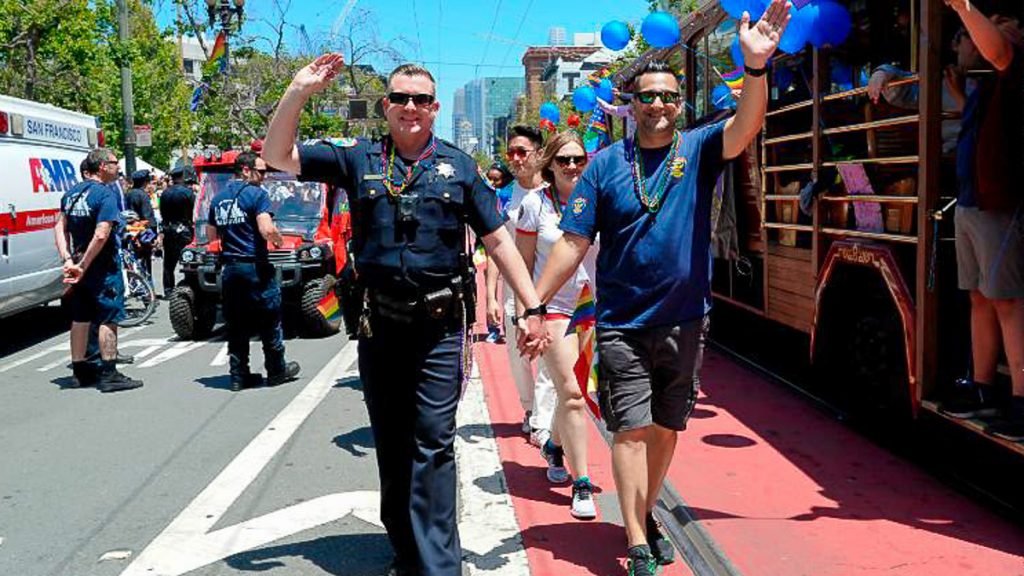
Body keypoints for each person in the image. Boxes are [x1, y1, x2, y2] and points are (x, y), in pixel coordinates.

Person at [263, 55, 549, 576]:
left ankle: (439, 566)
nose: (410, 107)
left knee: (433, 442)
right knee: (392, 443)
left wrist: (532, 306)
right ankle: (405, 546)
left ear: (435, 108)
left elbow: (499, 240)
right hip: (379, 326)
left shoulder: (460, 166)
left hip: (440, 327)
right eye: (400, 98)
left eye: (420, 99)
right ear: (386, 106)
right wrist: (298, 90)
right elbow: (276, 154)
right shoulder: (357, 158)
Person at [534, 3, 791, 574]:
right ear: (630, 105)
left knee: (667, 430)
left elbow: (747, 125)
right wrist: (533, 304)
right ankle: (635, 540)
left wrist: (754, 67)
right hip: (622, 322)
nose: (656, 104)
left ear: (679, 105)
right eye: (646, 96)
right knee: (628, 430)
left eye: (667, 96)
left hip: (684, 320)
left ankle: (645, 511)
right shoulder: (602, 166)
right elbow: (573, 243)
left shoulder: (699, 150)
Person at [931, 2, 1023, 441]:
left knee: (1006, 301)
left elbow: (999, 51)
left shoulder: (1008, 64)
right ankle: (983, 389)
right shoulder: (983, 85)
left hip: (995, 205)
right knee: (980, 298)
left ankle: (1021, 402)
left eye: (965, 34)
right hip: (971, 203)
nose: (961, 42)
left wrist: (963, 6)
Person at [515, 131, 599, 519]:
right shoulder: (535, 204)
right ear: (550, 165)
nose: (571, 166)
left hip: (599, 310)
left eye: (578, 159)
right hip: (555, 309)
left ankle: (554, 445)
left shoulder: (600, 198)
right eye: (563, 160)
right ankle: (582, 484)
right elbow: (522, 263)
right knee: (573, 394)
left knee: (581, 392)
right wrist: (525, 314)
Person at [485, 125, 557, 448]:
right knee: (519, 355)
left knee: (548, 357)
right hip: (516, 289)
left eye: (521, 152)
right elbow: (495, 250)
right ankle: (529, 409)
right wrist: (491, 295)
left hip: (552, 290)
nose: (515, 159)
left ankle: (542, 422)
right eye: (510, 153)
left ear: (539, 154)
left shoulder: (556, 191)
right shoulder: (503, 197)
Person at [206, 152, 301, 391]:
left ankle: (239, 375)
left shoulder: (218, 199)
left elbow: (210, 236)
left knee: (236, 325)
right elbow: (266, 229)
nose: (264, 176)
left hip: (231, 269)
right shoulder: (257, 195)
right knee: (269, 319)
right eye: (261, 171)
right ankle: (276, 370)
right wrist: (278, 239)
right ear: (246, 170)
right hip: (255, 267)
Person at [53, 148, 143, 392]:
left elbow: (59, 227)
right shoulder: (105, 194)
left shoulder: (71, 194)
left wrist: (68, 259)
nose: (118, 168)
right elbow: (102, 233)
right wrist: (82, 264)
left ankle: (79, 370)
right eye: (114, 163)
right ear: (102, 166)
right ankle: (109, 373)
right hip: (101, 267)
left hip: (80, 264)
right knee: (108, 317)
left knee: (80, 317)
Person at [483, 161, 514, 343]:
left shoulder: (510, 194)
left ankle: (509, 326)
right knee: (490, 285)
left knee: (509, 290)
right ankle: (492, 327)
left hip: (511, 246)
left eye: (497, 179)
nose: (493, 183)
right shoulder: (485, 192)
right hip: (489, 246)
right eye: (490, 179)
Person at [159, 165, 197, 297]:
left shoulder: (165, 193)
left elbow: (163, 213)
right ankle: (191, 286)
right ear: (182, 177)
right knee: (189, 260)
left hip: (169, 228)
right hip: (185, 228)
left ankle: (168, 290)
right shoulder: (188, 193)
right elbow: (194, 211)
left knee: (168, 262)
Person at [124, 169, 159, 275]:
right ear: (145, 182)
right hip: (142, 233)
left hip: (130, 232)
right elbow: (148, 218)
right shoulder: (142, 195)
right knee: (145, 265)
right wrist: (153, 237)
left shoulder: (128, 194)